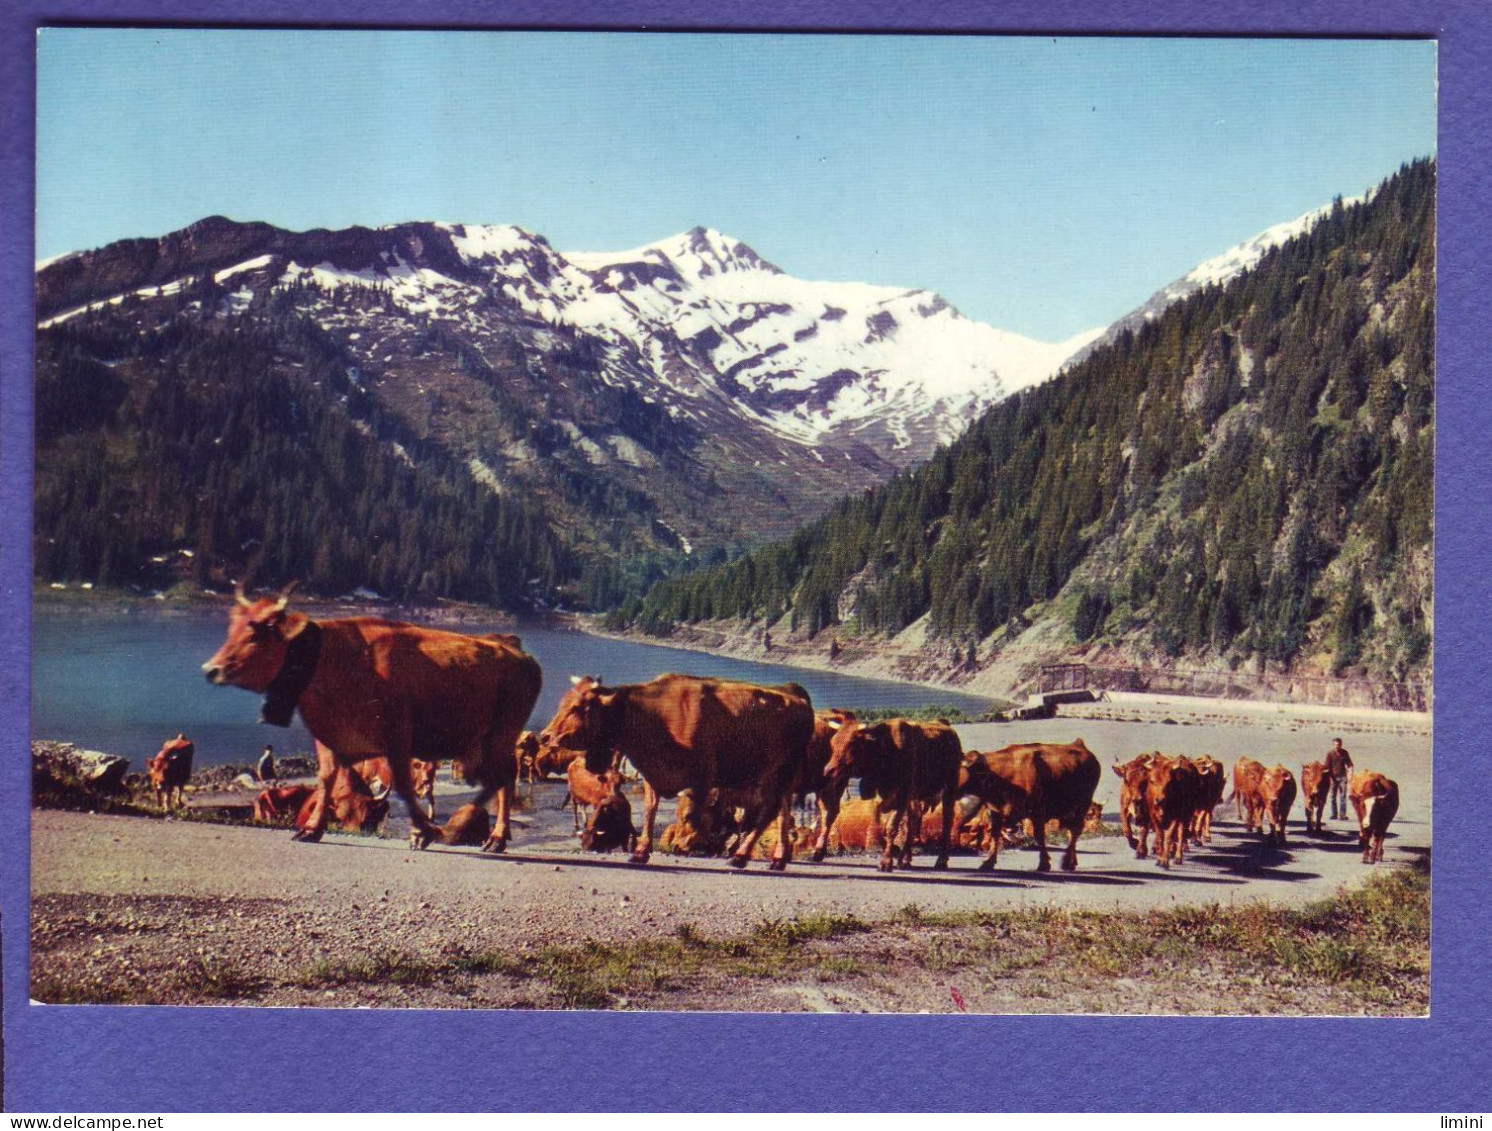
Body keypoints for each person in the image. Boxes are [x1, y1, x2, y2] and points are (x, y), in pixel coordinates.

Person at [1325, 736, 1354, 820]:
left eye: (1339, 745)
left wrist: (1350, 774)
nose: (1337, 746)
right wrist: (1329, 778)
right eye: (1336, 745)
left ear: (1341, 745)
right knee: (1333, 796)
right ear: (1333, 745)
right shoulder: (1330, 754)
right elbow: (1327, 767)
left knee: (1343, 796)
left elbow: (1350, 764)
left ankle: (1342, 815)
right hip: (1333, 778)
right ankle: (1334, 814)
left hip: (1342, 777)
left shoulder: (1344, 753)